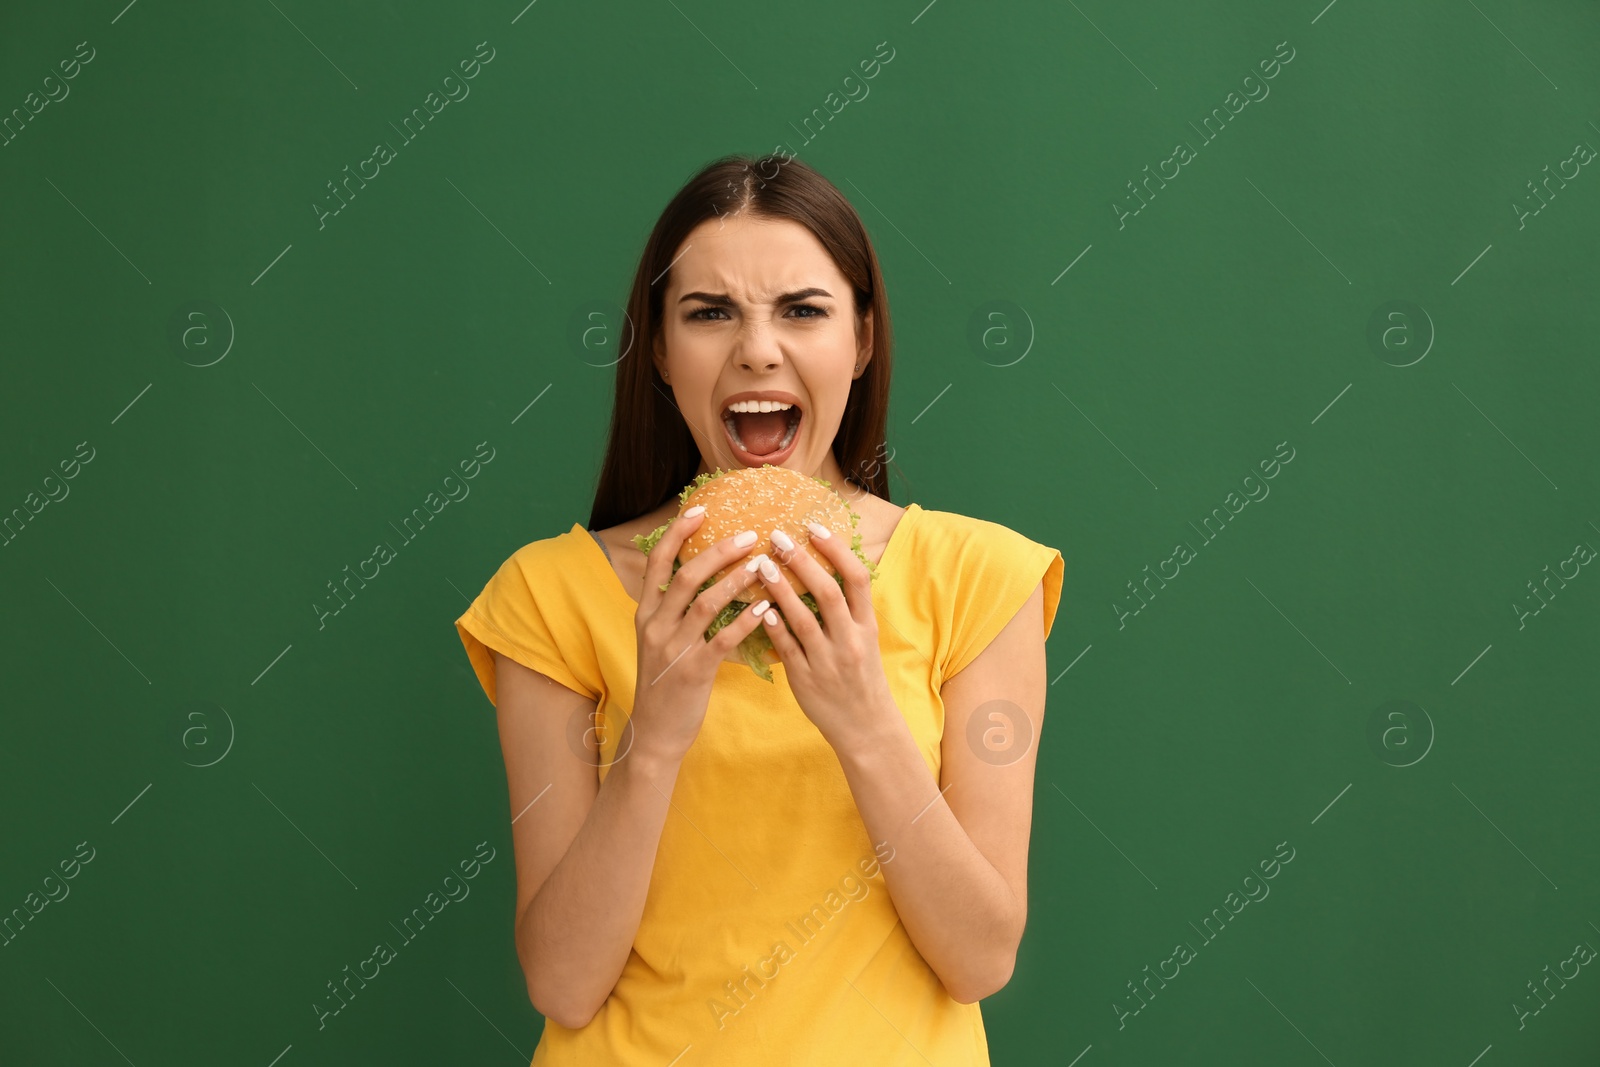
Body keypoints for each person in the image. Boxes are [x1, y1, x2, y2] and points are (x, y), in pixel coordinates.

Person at [454, 153, 1064, 1066]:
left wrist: (862, 720)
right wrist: (653, 737)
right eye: (709, 314)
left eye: (803, 310)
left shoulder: (979, 578)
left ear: (862, 341)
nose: (756, 349)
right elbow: (563, 982)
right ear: (659, 351)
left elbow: (979, 957)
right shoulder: (550, 596)